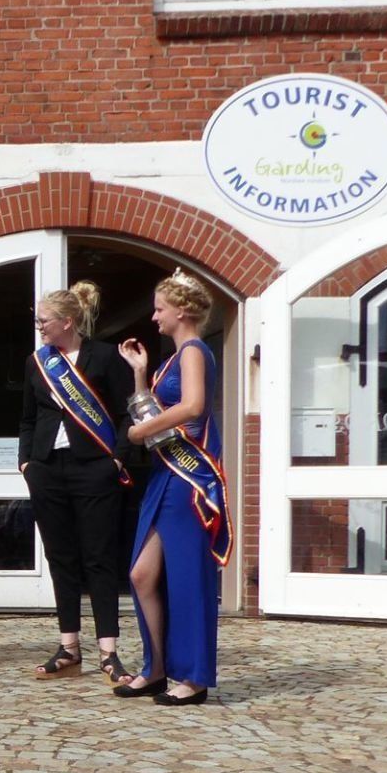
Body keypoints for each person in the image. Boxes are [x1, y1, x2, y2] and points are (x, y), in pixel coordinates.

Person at [115, 270, 232, 706]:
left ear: (181, 310)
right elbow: (156, 407)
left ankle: (194, 677)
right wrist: (141, 375)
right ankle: (157, 667)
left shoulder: (194, 350)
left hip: (188, 480)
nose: (154, 315)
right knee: (142, 574)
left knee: (187, 579)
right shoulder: (172, 358)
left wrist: (139, 431)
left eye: (160, 307)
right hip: (167, 475)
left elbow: (193, 407)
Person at [19, 280, 136, 684]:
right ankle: (69, 646)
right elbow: (28, 418)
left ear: (68, 322)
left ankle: (109, 650)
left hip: (94, 468)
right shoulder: (38, 363)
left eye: (44, 321)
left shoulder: (104, 357)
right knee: (60, 557)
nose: (40, 327)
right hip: (48, 469)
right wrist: (26, 463)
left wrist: (117, 458)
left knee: (99, 558)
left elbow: (127, 414)